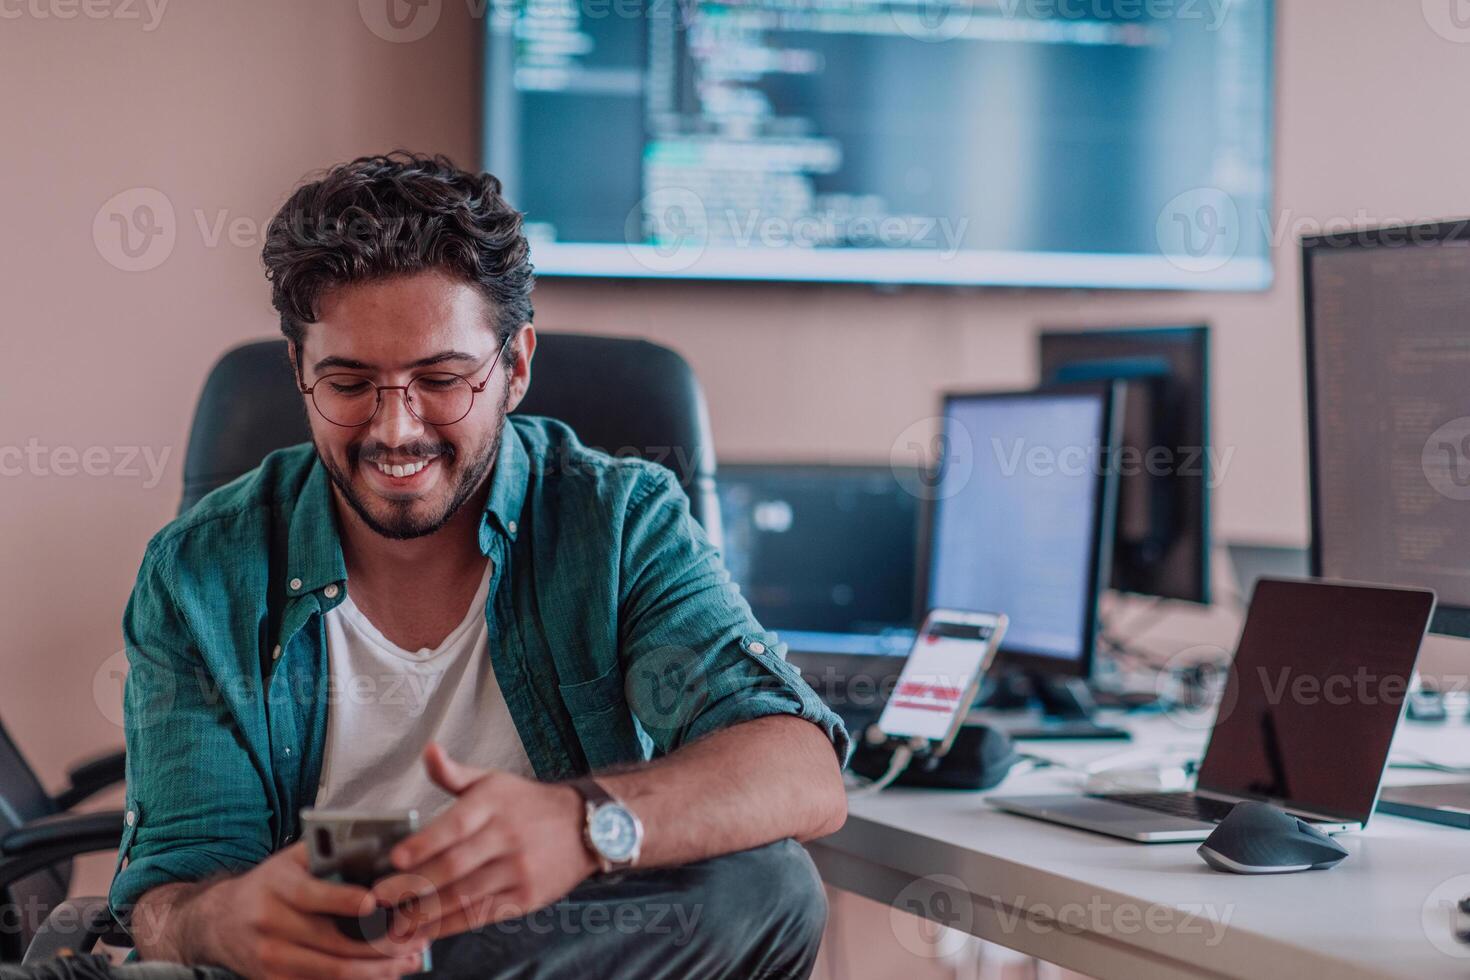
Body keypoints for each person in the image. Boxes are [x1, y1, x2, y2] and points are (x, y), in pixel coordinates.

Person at [107, 152, 850, 980]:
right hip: (318, 963)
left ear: (515, 367)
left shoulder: (619, 522)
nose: (395, 430)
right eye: (349, 383)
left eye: (442, 379)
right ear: (299, 372)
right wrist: (223, 920)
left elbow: (798, 769)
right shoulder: (199, 571)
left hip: (560, 947)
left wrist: (581, 825)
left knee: (771, 887)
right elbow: (166, 902)